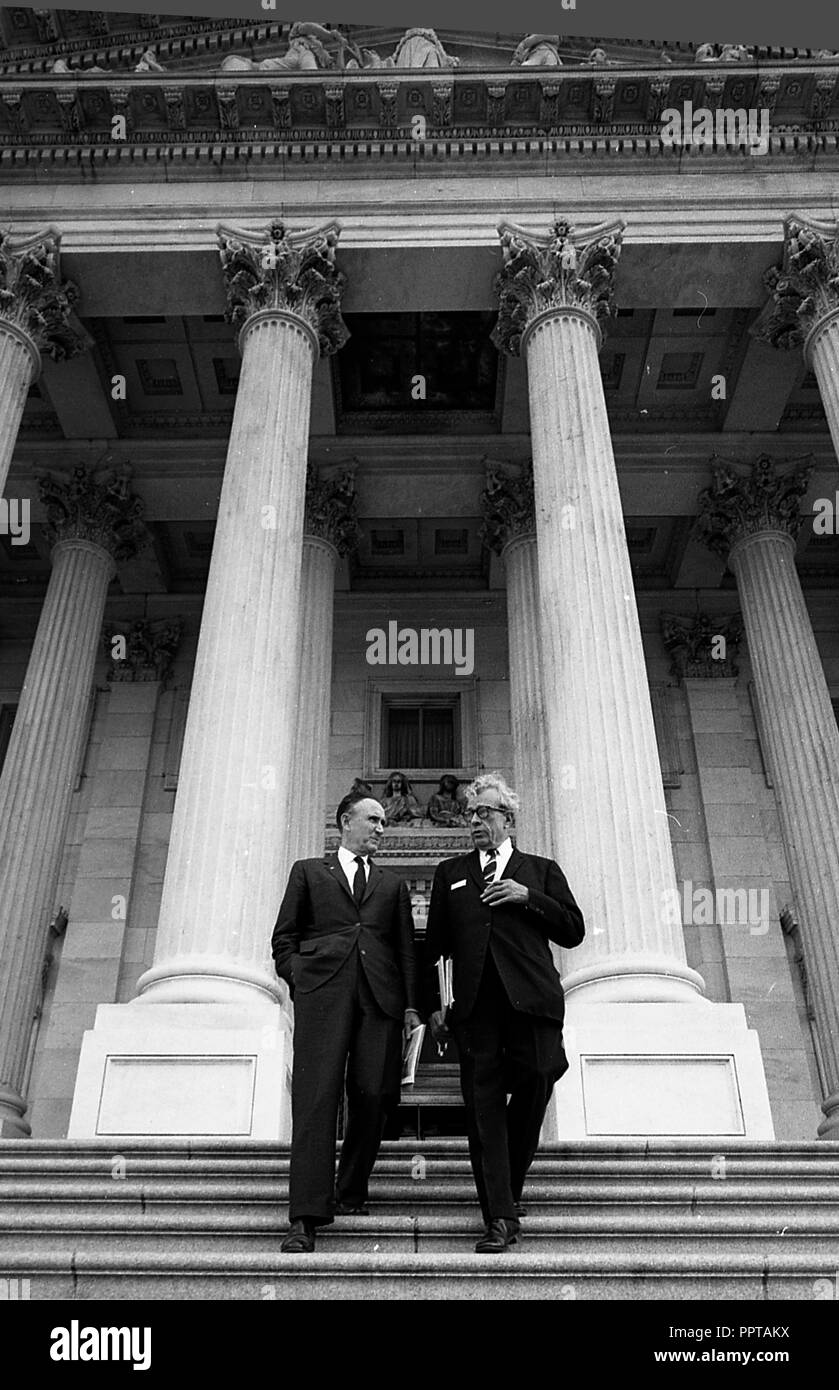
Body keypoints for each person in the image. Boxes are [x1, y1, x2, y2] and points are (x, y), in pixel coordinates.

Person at [425, 772, 584, 1253]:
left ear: (507, 818)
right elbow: (435, 945)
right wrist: (435, 1005)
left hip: (532, 1003)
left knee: (539, 1076)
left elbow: (573, 929)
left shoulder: (540, 869)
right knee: (484, 1112)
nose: (474, 820)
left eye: (484, 812)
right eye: (470, 813)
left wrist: (528, 898)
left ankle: (506, 1192)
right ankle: (499, 1216)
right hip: (475, 1011)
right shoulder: (450, 873)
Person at [272, 792, 421, 1252]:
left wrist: (412, 1007)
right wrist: (297, 974)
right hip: (323, 995)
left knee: (374, 1095)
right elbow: (284, 937)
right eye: (373, 820)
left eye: (383, 822)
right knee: (317, 1099)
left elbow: (405, 950)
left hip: (379, 1000)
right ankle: (306, 1215)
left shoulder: (393, 885)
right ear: (345, 822)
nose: (381, 828)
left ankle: (351, 1188)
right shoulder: (309, 872)